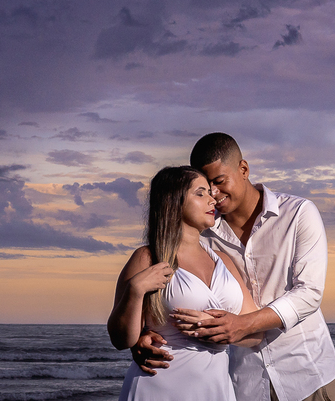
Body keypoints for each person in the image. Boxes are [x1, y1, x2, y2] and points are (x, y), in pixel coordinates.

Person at [131, 134, 335, 401]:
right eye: (206, 185)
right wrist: (143, 336)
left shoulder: (299, 213)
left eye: (219, 181)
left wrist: (243, 324)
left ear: (243, 169)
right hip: (243, 385)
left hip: (308, 376)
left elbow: (309, 293)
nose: (213, 193)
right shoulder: (201, 233)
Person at [109, 166, 262, 401]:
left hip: (215, 388)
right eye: (201, 193)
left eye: (210, 193)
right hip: (158, 386)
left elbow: (256, 335)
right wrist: (135, 290)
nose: (213, 199)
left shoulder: (223, 260)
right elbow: (121, 340)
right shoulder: (148, 258)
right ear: (173, 202)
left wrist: (220, 328)